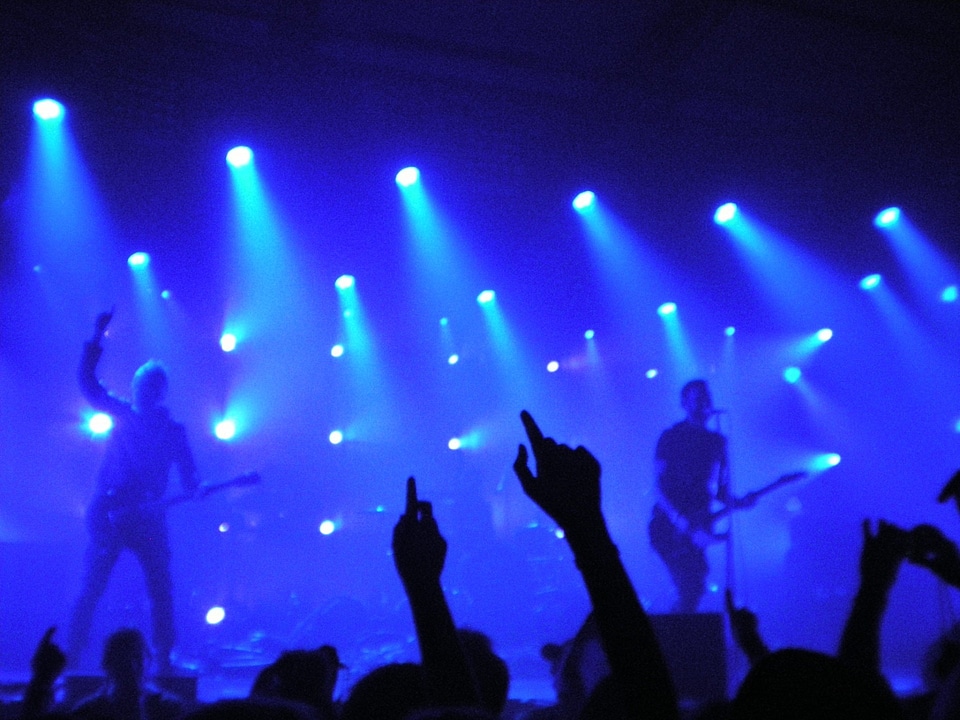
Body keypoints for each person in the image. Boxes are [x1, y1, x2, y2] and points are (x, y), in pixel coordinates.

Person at [67, 309, 200, 673]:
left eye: (150, 388)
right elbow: (88, 382)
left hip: (149, 518)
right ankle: (71, 656)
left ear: (160, 393)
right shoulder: (121, 414)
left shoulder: (174, 432)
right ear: (135, 388)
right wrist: (96, 335)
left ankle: (164, 656)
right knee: (92, 585)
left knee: (161, 588)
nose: (142, 392)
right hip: (110, 513)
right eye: (139, 386)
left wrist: (196, 490)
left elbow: (190, 477)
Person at [648, 379, 747, 613]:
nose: (704, 402)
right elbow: (658, 487)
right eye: (697, 399)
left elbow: (721, 490)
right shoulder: (671, 437)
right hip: (668, 525)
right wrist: (678, 518)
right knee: (690, 586)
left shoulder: (717, 441)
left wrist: (740, 501)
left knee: (695, 588)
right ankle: (669, 640)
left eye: (706, 397)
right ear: (684, 404)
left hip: (698, 523)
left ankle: (675, 638)